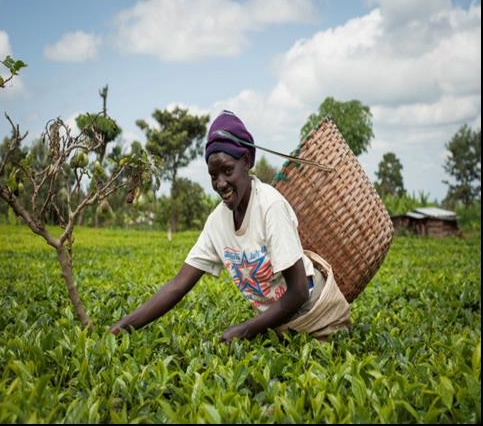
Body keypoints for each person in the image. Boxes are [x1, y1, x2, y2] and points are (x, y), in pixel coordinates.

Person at [110, 110, 350, 342]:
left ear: (246, 161)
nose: (221, 183)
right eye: (214, 175)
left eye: (227, 170)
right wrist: (122, 328)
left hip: (317, 315)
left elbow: (298, 291)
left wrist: (245, 330)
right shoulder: (217, 222)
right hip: (278, 326)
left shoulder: (269, 206)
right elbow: (178, 285)